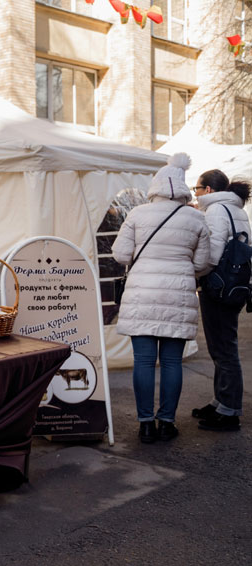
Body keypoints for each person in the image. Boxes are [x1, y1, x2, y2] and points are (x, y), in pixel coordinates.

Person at [111, 153, 210, 444]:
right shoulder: (196, 218)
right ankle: (166, 422)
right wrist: (179, 266)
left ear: (154, 187)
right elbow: (203, 263)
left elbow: (119, 255)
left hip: (142, 293)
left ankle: (144, 425)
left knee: (143, 361)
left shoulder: (137, 214)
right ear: (182, 188)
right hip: (178, 294)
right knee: (171, 362)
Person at [190, 169, 251, 432]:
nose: (196, 193)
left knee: (223, 348)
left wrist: (196, 274)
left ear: (209, 191)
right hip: (235, 286)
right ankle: (220, 401)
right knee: (223, 345)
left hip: (218, 286)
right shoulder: (237, 209)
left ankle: (229, 411)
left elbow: (212, 256)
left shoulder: (216, 211)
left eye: (197, 188)